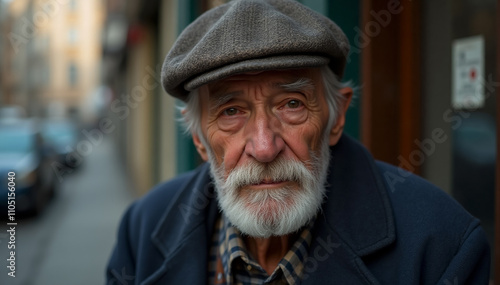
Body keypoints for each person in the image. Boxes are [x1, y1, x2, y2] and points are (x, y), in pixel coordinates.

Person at [106, 0, 491, 284]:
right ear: (200, 140)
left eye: (291, 104)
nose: (264, 146)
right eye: (230, 112)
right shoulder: (141, 232)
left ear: (336, 117)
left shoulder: (441, 244)